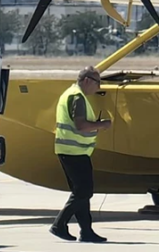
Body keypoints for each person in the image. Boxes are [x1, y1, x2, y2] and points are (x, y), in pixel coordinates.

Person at [49, 66, 111, 243]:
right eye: (97, 83)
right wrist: (102, 125)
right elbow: (81, 126)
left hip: (71, 151)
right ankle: (59, 224)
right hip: (74, 152)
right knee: (83, 192)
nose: (98, 87)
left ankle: (86, 231)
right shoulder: (77, 97)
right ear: (87, 81)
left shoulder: (69, 93)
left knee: (81, 193)